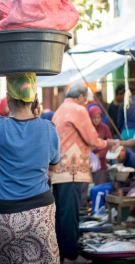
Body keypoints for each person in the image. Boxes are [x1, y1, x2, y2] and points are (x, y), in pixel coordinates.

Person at [0, 43, 61, 264]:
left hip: (4, 215)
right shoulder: (49, 129)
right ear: (35, 97)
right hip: (40, 214)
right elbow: (52, 168)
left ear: (8, 97)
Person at [51, 83, 117, 263]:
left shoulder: (59, 110)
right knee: (70, 214)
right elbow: (92, 139)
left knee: (61, 214)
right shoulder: (78, 110)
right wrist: (107, 143)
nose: (85, 103)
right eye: (85, 99)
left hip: (58, 170)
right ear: (80, 96)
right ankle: (71, 255)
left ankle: (62, 253)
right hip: (71, 170)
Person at [90, 145, 135, 213]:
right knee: (93, 189)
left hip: (128, 187)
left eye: (118, 156)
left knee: (98, 191)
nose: (117, 159)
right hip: (120, 183)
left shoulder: (132, 159)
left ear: (123, 150)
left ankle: (96, 214)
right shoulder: (124, 159)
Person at [88, 106, 112, 185]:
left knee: (99, 185)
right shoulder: (87, 127)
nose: (97, 120)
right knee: (84, 187)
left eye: (99, 117)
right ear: (90, 117)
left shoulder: (104, 128)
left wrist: (99, 155)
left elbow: (109, 144)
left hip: (101, 162)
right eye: (94, 117)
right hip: (87, 162)